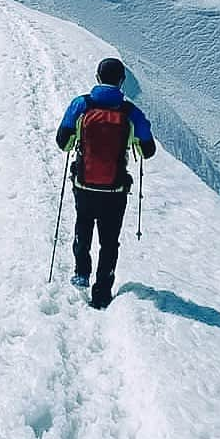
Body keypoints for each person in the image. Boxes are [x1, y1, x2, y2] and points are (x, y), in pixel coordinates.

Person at [55, 58, 156, 309]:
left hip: (84, 183)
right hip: (116, 188)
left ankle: (81, 272)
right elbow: (148, 150)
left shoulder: (81, 105)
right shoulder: (130, 112)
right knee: (109, 241)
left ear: (98, 78)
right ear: (121, 81)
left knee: (83, 224)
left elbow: (63, 142)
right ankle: (101, 293)